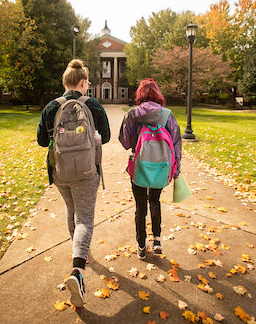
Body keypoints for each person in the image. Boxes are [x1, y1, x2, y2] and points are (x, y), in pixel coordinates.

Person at [37, 59, 110, 308]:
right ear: (82, 82)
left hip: (60, 172)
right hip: (87, 172)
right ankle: (77, 270)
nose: (87, 85)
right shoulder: (93, 105)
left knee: (71, 210)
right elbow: (107, 137)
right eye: (87, 82)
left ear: (64, 82)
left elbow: (40, 140)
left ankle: (78, 249)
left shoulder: (50, 107)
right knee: (85, 219)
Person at [119, 78, 182, 259]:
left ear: (140, 95)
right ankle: (157, 240)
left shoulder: (132, 114)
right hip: (161, 166)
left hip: (139, 166)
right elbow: (177, 143)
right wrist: (175, 169)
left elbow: (124, 142)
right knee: (154, 200)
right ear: (157, 94)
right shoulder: (167, 115)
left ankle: (141, 245)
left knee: (140, 207)